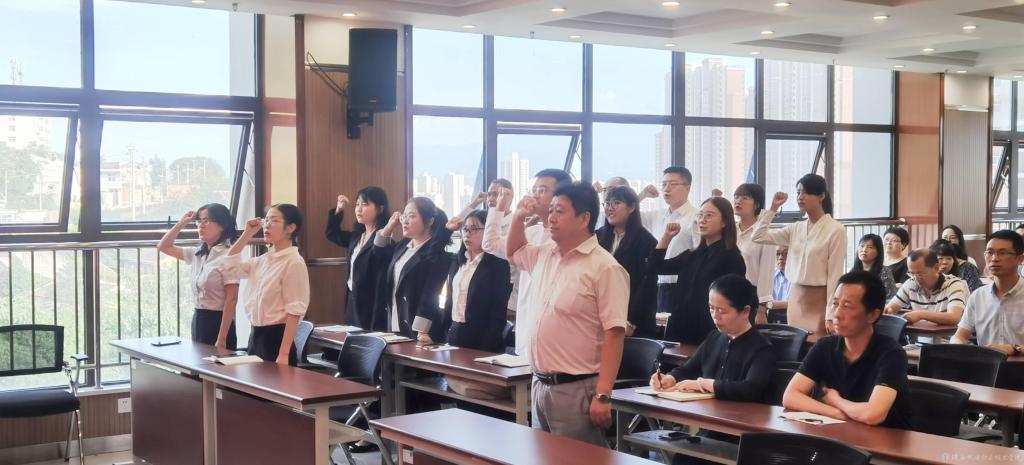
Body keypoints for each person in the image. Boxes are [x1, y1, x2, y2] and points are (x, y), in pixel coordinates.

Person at [506, 181, 629, 447]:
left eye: (559, 211)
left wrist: (603, 394)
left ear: (584, 218)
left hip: (577, 388)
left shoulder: (604, 267)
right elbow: (514, 252)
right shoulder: (545, 254)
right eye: (550, 210)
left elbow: (615, 333)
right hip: (540, 383)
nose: (551, 217)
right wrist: (518, 218)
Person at [782, 271, 912, 429]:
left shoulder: (891, 353)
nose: (836, 314)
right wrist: (838, 414)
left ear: (872, 315)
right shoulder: (824, 346)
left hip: (885, 439)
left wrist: (836, 400)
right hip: (839, 433)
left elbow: (873, 415)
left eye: (847, 306)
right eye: (835, 304)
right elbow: (790, 396)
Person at [483, 169, 571, 357]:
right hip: (525, 328)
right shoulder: (531, 233)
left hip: (554, 338)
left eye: (542, 190)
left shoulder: (569, 239)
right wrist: (499, 209)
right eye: (534, 190)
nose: (535, 195)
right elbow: (490, 245)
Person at [649, 274, 776, 402]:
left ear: (745, 311)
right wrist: (670, 378)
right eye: (711, 308)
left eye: (722, 311)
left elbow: (750, 389)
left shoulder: (762, 348)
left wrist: (704, 384)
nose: (715, 316)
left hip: (738, 412)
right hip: (706, 410)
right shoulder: (714, 338)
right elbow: (688, 369)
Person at [753, 174, 846, 336]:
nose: (800, 197)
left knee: (817, 345)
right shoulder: (796, 228)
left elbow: (835, 275)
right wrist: (773, 209)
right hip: (796, 298)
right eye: (798, 192)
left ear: (821, 196)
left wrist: (831, 314)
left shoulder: (836, 229)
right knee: (794, 344)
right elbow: (758, 236)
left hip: (820, 299)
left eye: (806, 192)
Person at [649, 197, 746, 345]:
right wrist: (666, 237)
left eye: (709, 215)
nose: (702, 220)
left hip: (709, 331)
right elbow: (656, 266)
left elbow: (734, 301)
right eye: (700, 215)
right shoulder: (693, 254)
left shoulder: (732, 257)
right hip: (680, 327)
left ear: (725, 222)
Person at [223, 204, 309, 365]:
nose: (267, 225)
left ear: (291, 228)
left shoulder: (294, 262)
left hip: (277, 339)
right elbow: (228, 267)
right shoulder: (263, 260)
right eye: (266, 220)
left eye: (274, 220)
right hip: (256, 336)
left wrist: (283, 354)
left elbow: (294, 311)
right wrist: (247, 233)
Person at [158, 203, 239, 349]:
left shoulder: (228, 255)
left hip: (219, 321)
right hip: (198, 319)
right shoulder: (197, 253)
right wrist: (182, 223)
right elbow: (163, 247)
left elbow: (231, 299)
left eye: (206, 221)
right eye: (199, 221)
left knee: (218, 362)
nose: (201, 226)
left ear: (222, 225)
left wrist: (222, 338)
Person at [373, 197, 453, 343]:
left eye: (411, 216)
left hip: (420, 329)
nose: (405, 221)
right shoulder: (403, 246)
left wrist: (421, 330)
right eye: (404, 216)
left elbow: (430, 295)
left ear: (429, 221)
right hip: (394, 322)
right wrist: (390, 226)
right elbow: (377, 252)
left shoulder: (437, 255)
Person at [441, 210, 512, 354]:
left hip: (483, 340)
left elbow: (498, 314)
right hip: (454, 335)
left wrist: (485, 350)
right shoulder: (457, 261)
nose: (467, 234)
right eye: (465, 229)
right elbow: (450, 301)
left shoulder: (498, 265)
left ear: (489, 231)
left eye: (474, 229)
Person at [595, 185, 658, 338]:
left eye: (616, 203)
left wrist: (631, 321)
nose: (610, 208)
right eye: (607, 203)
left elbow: (647, 286)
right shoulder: (597, 237)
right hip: (600, 313)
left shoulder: (646, 241)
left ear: (631, 207)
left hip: (630, 318)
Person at [637, 167, 701, 317]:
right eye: (664, 184)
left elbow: (699, 255)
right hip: (655, 285)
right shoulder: (657, 215)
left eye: (673, 184)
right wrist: (643, 194)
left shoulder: (696, 217)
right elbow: (628, 213)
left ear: (688, 188)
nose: (667, 189)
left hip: (681, 286)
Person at [325, 187, 391, 328]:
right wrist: (339, 209)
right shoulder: (356, 236)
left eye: (365, 204)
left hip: (371, 304)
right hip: (352, 300)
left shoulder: (383, 240)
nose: (359, 209)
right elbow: (333, 234)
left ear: (380, 209)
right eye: (357, 204)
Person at [952, 230, 1024, 355]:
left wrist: (1014, 349)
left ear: (1020, 259)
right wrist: (958, 345)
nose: (994, 258)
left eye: (1002, 253)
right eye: (990, 252)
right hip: (986, 365)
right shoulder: (978, 296)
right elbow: (960, 335)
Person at [884, 249, 967, 326]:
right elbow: (890, 308)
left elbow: (954, 317)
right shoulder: (911, 283)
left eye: (920, 274)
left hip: (949, 337)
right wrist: (887, 310)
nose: (915, 278)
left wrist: (920, 314)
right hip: (919, 336)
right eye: (911, 273)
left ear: (936, 268)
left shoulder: (953, 284)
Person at [733, 183, 777, 321]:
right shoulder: (730, 230)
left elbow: (766, 273)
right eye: (736, 197)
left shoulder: (764, 233)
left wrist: (761, 310)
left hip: (750, 297)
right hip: (726, 293)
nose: (738, 201)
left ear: (756, 204)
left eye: (744, 197)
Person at [850, 234, 897, 300]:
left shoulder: (884, 271)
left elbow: (891, 298)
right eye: (862, 246)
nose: (864, 250)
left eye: (870, 247)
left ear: (878, 252)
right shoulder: (853, 271)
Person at [768, 246, 791, 312]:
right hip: (772, 314)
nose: (780, 257)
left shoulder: (798, 277)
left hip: (792, 315)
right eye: (778, 254)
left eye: (786, 254)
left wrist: (770, 304)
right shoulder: (770, 274)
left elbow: (797, 304)